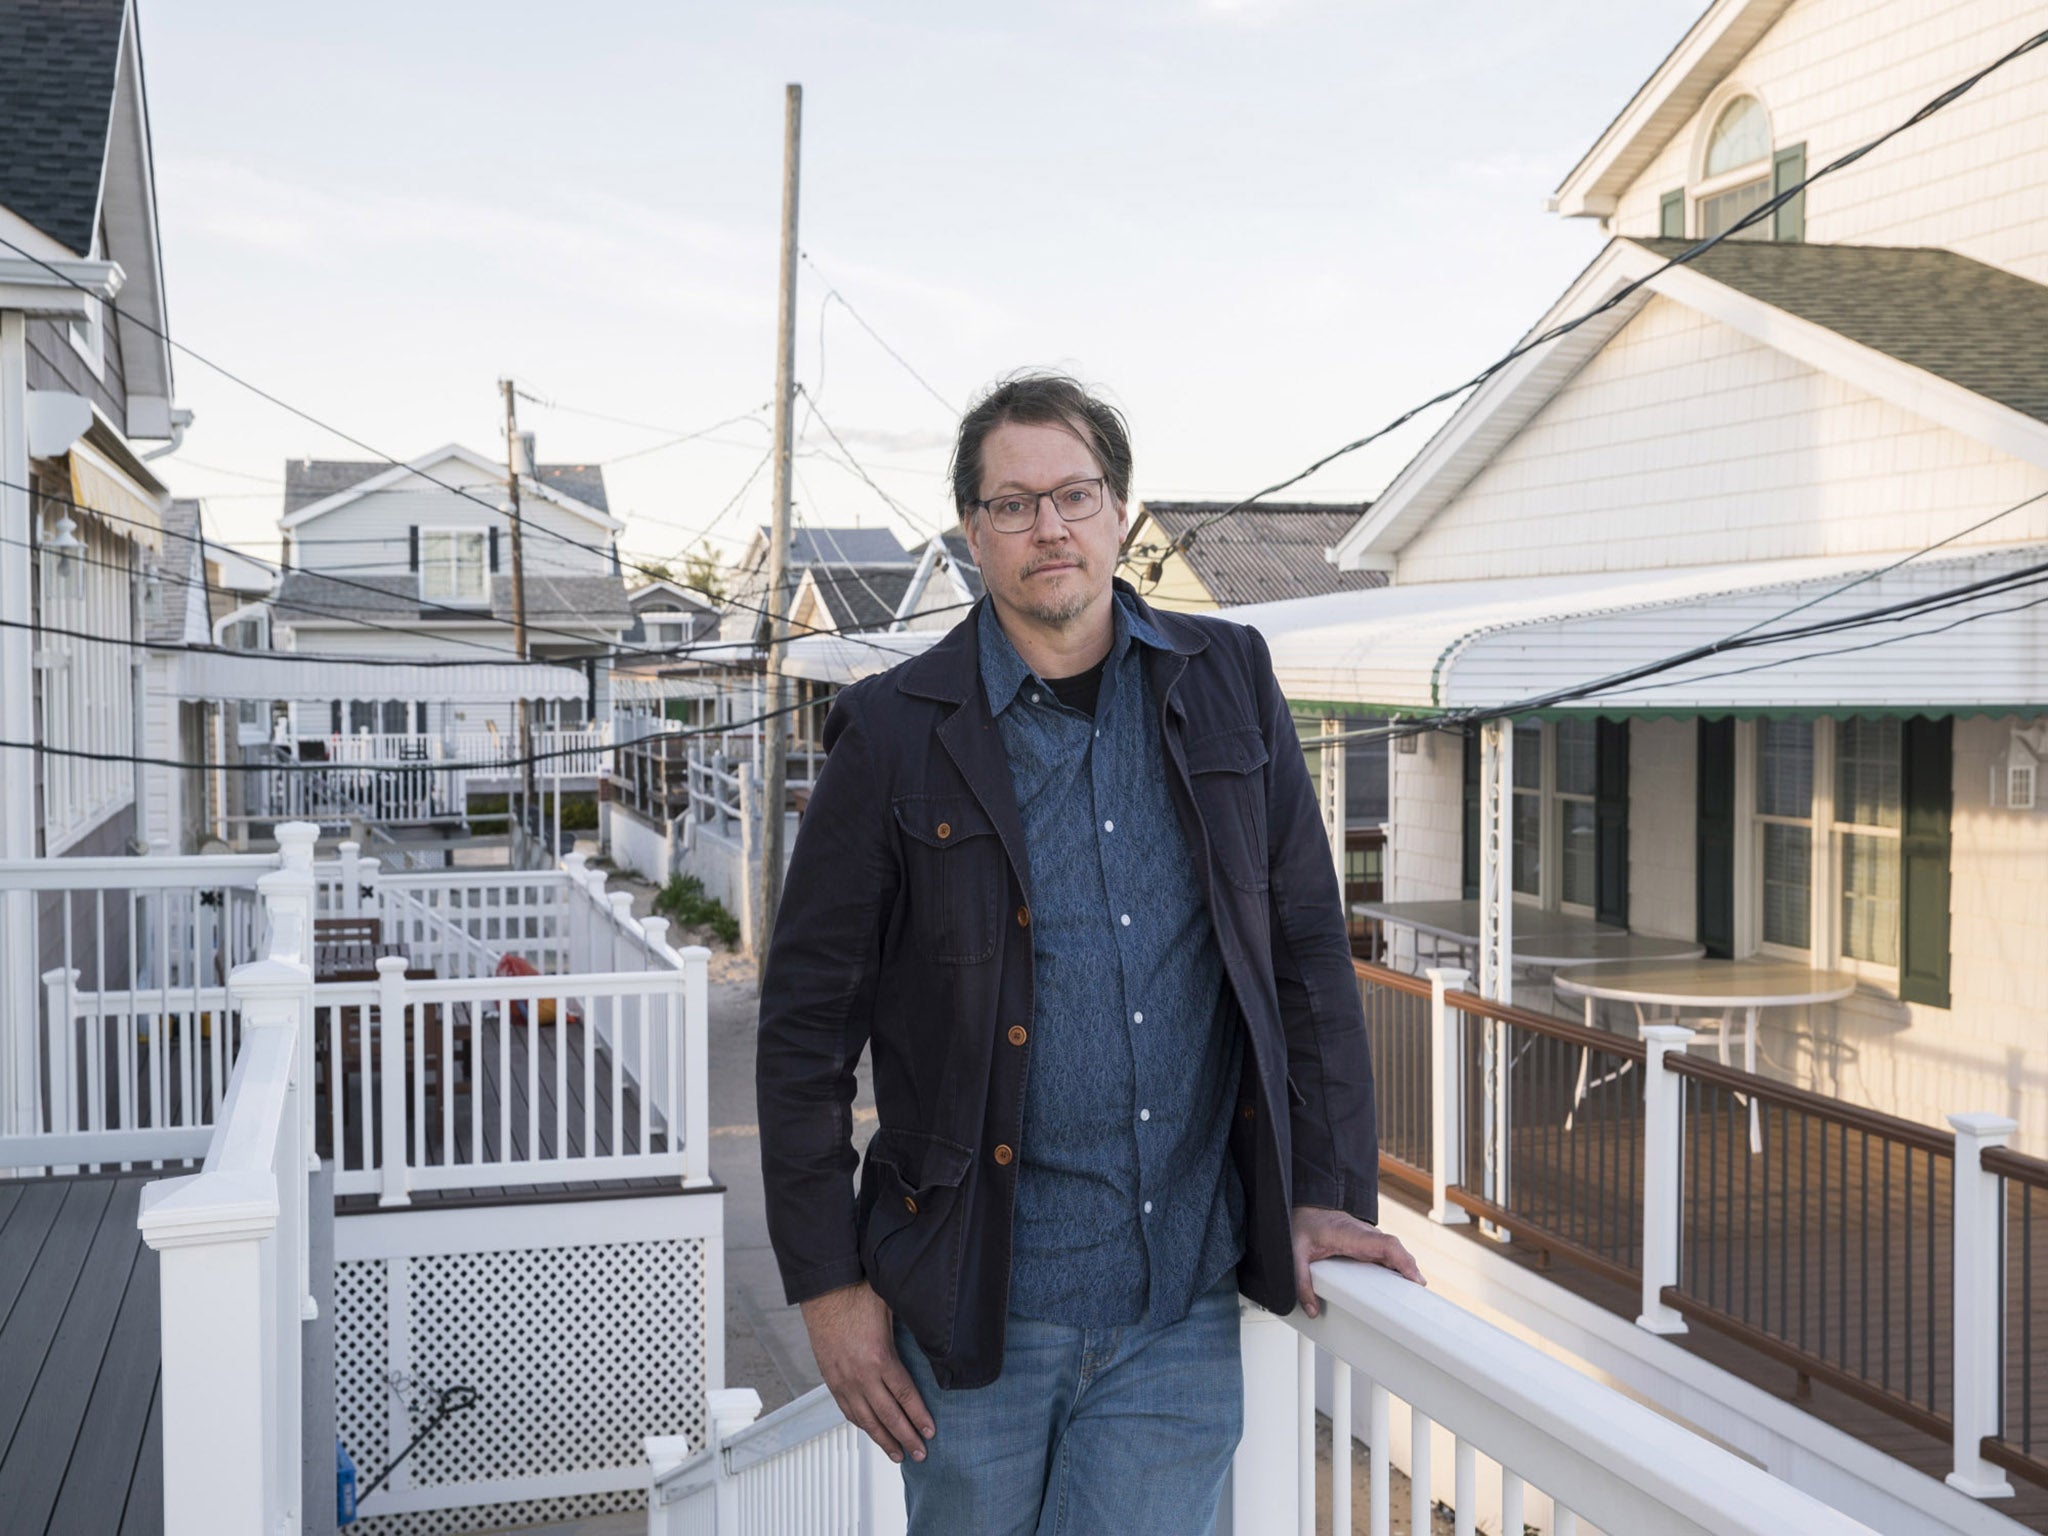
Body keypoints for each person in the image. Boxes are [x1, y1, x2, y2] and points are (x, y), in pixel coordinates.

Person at [756, 372, 1420, 1534]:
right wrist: (825, 1285)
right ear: (971, 534)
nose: (1048, 527)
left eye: (1073, 494)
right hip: (972, 1310)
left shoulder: (1228, 683)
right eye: (1012, 505)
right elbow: (806, 1031)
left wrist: (1320, 1190)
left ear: (1119, 511)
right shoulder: (890, 733)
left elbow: (1306, 953)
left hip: (1180, 1305)